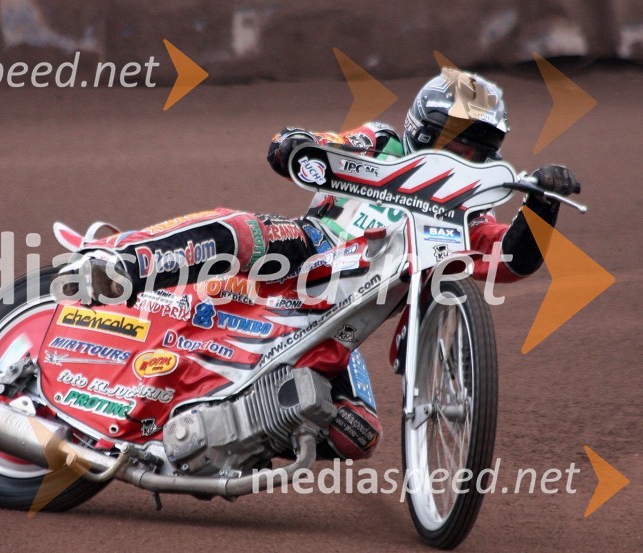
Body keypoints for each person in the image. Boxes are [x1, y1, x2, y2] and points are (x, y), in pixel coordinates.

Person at [71, 67, 581, 460]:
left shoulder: (472, 212)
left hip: (343, 323)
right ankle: (120, 261)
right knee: (241, 230)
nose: (462, 153)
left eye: (478, 147)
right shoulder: (382, 143)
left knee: (357, 434)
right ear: (422, 127)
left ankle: (227, 438)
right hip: (312, 248)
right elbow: (319, 147)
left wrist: (543, 203)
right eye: (453, 137)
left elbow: (510, 259)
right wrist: (297, 142)